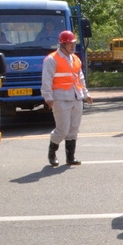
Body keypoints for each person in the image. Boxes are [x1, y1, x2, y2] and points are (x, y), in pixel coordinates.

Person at [41, 30, 92, 167]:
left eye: (74, 43)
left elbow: (80, 79)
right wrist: (48, 96)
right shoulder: (51, 59)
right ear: (62, 44)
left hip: (76, 97)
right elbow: (46, 79)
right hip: (60, 98)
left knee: (73, 129)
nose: (73, 46)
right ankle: (52, 153)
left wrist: (86, 94)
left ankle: (70, 157)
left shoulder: (75, 59)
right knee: (62, 130)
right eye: (70, 44)